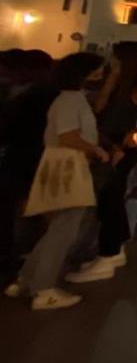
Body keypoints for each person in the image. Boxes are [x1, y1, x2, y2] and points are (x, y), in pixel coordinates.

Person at [6, 53, 110, 310]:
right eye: (97, 70)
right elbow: (68, 136)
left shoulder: (68, 99)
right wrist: (96, 150)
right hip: (68, 165)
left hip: (62, 163)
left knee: (59, 227)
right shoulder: (70, 100)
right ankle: (44, 289)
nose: (101, 73)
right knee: (65, 229)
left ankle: (27, 278)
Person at [75, 42, 137, 283]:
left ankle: (108, 253)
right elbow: (98, 110)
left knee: (109, 197)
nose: (111, 60)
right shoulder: (118, 82)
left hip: (121, 146)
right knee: (108, 197)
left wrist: (136, 131)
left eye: (116, 57)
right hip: (105, 143)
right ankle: (114, 249)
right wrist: (111, 80)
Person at [0, 51, 56, 277]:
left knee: (24, 207)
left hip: (28, 156)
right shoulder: (22, 93)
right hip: (21, 156)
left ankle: (23, 258)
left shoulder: (41, 95)